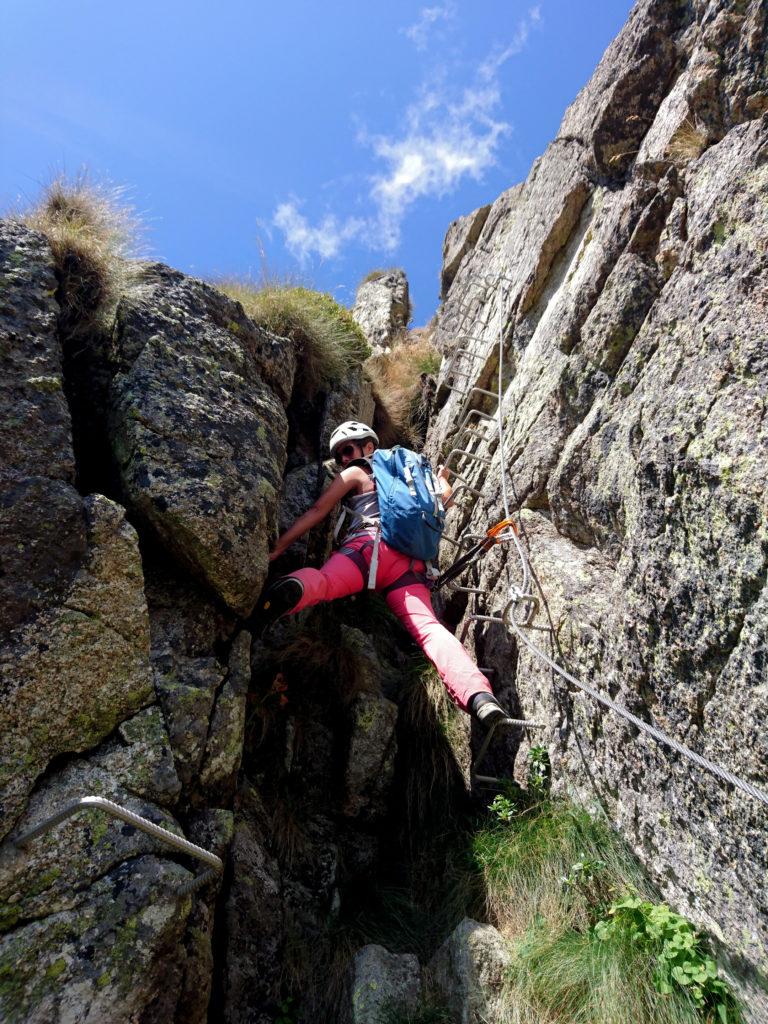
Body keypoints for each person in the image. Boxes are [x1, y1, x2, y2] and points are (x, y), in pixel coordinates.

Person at [260, 421, 509, 727]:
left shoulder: (355, 472)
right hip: (411, 568)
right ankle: (479, 696)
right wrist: (442, 480)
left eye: (348, 450)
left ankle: (292, 589)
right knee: (430, 630)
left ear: (367, 447)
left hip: (367, 549)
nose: (345, 458)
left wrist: (279, 547)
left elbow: (317, 511)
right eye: (340, 455)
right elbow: (444, 497)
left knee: (323, 583)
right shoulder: (414, 474)